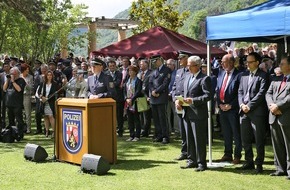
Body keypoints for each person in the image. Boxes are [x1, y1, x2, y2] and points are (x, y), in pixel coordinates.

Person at [177, 56, 211, 171]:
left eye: (190, 65)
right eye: (187, 65)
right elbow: (183, 92)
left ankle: (201, 163)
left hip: (198, 114)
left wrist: (194, 100)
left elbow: (208, 95)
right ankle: (192, 160)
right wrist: (179, 101)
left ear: (197, 66)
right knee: (189, 138)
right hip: (187, 112)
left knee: (199, 139)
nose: (188, 67)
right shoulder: (187, 77)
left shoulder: (204, 78)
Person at [237, 52, 269, 174]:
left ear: (257, 63)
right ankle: (248, 161)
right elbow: (240, 92)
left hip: (257, 112)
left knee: (259, 139)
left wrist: (249, 106)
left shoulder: (263, 76)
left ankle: (259, 164)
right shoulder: (244, 75)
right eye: (247, 62)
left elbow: (261, 94)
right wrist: (242, 105)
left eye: (250, 62)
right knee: (245, 139)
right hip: (244, 112)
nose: (247, 64)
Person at [266, 55, 290, 179]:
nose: (279, 66)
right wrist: (272, 105)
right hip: (274, 115)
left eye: (282, 64)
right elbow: (268, 93)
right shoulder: (276, 79)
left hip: (285, 116)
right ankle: (280, 168)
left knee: (288, 144)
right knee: (277, 144)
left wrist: (278, 106)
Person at [216, 54, 242, 164]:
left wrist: (231, 105)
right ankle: (227, 154)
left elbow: (240, 93)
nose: (222, 64)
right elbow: (218, 90)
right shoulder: (221, 73)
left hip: (233, 109)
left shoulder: (239, 75)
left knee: (236, 133)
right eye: (221, 62)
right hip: (222, 108)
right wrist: (219, 103)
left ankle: (237, 155)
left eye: (224, 62)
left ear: (231, 62)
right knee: (226, 133)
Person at [172, 50, 191, 160]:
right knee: (182, 130)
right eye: (179, 58)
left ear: (186, 58)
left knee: (188, 129)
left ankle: (190, 152)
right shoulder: (179, 71)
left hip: (187, 104)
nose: (179, 60)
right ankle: (184, 151)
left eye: (181, 58)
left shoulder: (190, 71)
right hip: (178, 103)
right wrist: (175, 99)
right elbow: (174, 87)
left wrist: (182, 101)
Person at [149, 54, 171, 144]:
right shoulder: (154, 72)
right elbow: (150, 83)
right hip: (154, 97)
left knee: (162, 117)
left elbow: (165, 83)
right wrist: (152, 91)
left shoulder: (166, 70)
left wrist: (157, 91)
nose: (154, 63)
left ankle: (165, 136)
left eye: (155, 61)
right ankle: (159, 135)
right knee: (156, 118)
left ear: (159, 60)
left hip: (161, 96)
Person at [3, 66, 26, 139]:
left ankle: (20, 134)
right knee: (10, 121)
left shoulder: (21, 80)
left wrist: (13, 81)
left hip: (17, 104)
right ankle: (12, 135)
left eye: (13, 73)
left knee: (19, 120)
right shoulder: (9, 81)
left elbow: (19, 89)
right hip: (9, 104)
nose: (11, 74)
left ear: (17, 74)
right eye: (11, 73)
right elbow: (4, 89)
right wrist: (7, 80)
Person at [124, 65, 143, 141]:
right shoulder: (127, 81)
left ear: (135, 72)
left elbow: (138, 91)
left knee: (136, 119)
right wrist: (126, 98)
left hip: (135, 102)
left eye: (131, 71)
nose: (130, 72)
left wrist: (132, 99)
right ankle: (131, 135)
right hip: (128, 102)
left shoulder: (138, 81)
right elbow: (124, 91)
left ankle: (137, 136)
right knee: (130, 119)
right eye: (129, 71)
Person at [36, 70, 58, 138]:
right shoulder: (43, 83)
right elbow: (39, 92)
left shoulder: (54, 84)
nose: (49, 76)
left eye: (50, 75)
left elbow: (54, 93)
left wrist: (47, 98)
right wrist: (42, 97)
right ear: (46, 76)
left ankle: (54, 131)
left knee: (51, 116)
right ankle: (47, 131)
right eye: (48, 75)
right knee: (45, 117)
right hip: (44, 102)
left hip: (50, 102)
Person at [107, 60, 124, 137]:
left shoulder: (119, 73)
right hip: (109, 97)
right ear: (108, 67)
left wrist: (111, 84)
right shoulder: (106, 74)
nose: (112, 67)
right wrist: (111, 84)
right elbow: (106, 84)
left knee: (119, 115)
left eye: (113, 66)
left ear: (115, 66)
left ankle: (120, 130)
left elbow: (118, 82)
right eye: (110, 66)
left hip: (118, 97)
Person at [138, 59, 152, 137]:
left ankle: (146, 130)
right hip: (140, 96)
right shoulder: (139, 73)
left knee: (147, 115)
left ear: (146, 64)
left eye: (142, 64)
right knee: (142, 114)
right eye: (140, 64)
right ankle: (143, 129)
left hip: (147, 96)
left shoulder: (151, 73)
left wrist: (148, 96)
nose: (140, 65)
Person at [33, 64, 48, 134]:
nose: (44, 72)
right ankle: (39, 129)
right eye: (42, 70)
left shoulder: (49, 77)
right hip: (38, 97)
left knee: (46, 114)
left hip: (47, 97)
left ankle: (46, 129)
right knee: (37, 113)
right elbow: (35, 87)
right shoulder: (38, 77)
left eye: (45, 71)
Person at [20, 63, 34, 134]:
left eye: (28, 70)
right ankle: (20, 127)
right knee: (19, 112)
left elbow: (31, 88)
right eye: (26, 70)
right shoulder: (19, 76)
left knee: (27, 113)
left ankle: (28, 129)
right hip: (19, 96)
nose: (28, 71)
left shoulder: (30, 77)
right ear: (23, 70)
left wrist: (25, 83)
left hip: (27, 96)